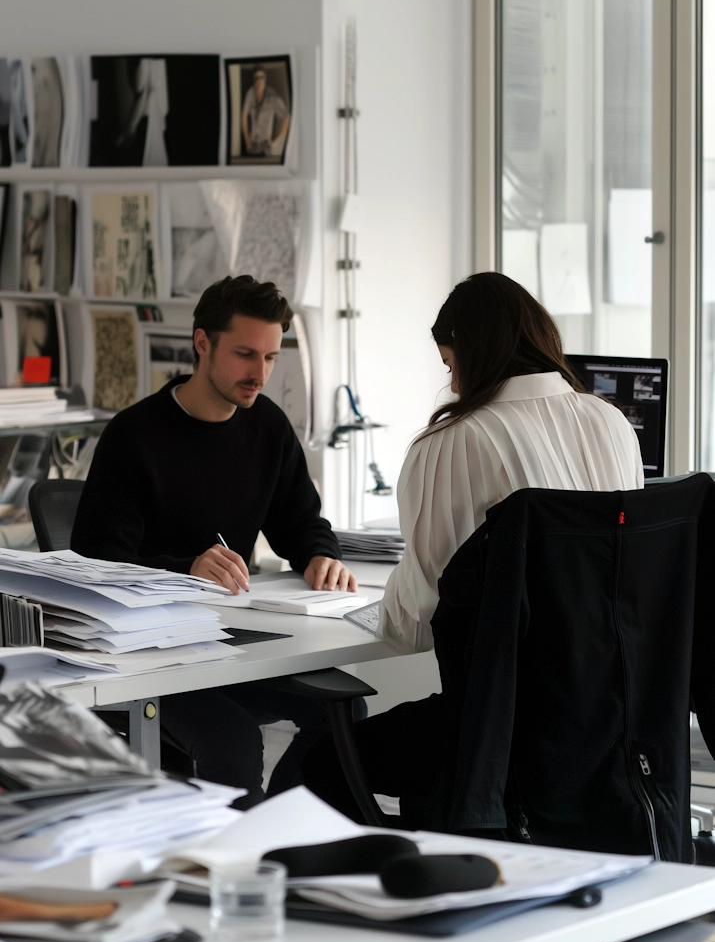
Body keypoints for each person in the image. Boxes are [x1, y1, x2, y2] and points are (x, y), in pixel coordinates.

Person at [301, 271, 644, 822]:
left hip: (496, 732)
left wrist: (372, 610)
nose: (455, 385)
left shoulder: (454, 443)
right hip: (611, 729)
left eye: (450, 364)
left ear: (472, 353)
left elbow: (413, 624)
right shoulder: (613, 423)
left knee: (312, 769)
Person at [72, 275, 357, 806]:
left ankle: (272, 830)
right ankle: (227, 876)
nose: (260, 374)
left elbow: (302, 521)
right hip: (147, 656)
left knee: (343, 713)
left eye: (271, 357)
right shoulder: (135, 437)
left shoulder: (267, 427)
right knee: (234, 740)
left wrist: (322, 555)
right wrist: (185, 570)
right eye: (246, 354)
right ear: (202, 343)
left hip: (228, 642)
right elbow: (97, 562)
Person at [241, 67, 290, 157]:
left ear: (265, 79)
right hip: (252, 145)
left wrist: (276, 140)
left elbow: (286, 117)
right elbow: (244, 114)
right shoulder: (250, 93)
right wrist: (247, 138)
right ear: (254, 80)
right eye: (256, 78)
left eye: (261, 77)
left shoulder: (273, 96)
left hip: (266, 146)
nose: (259, 80)